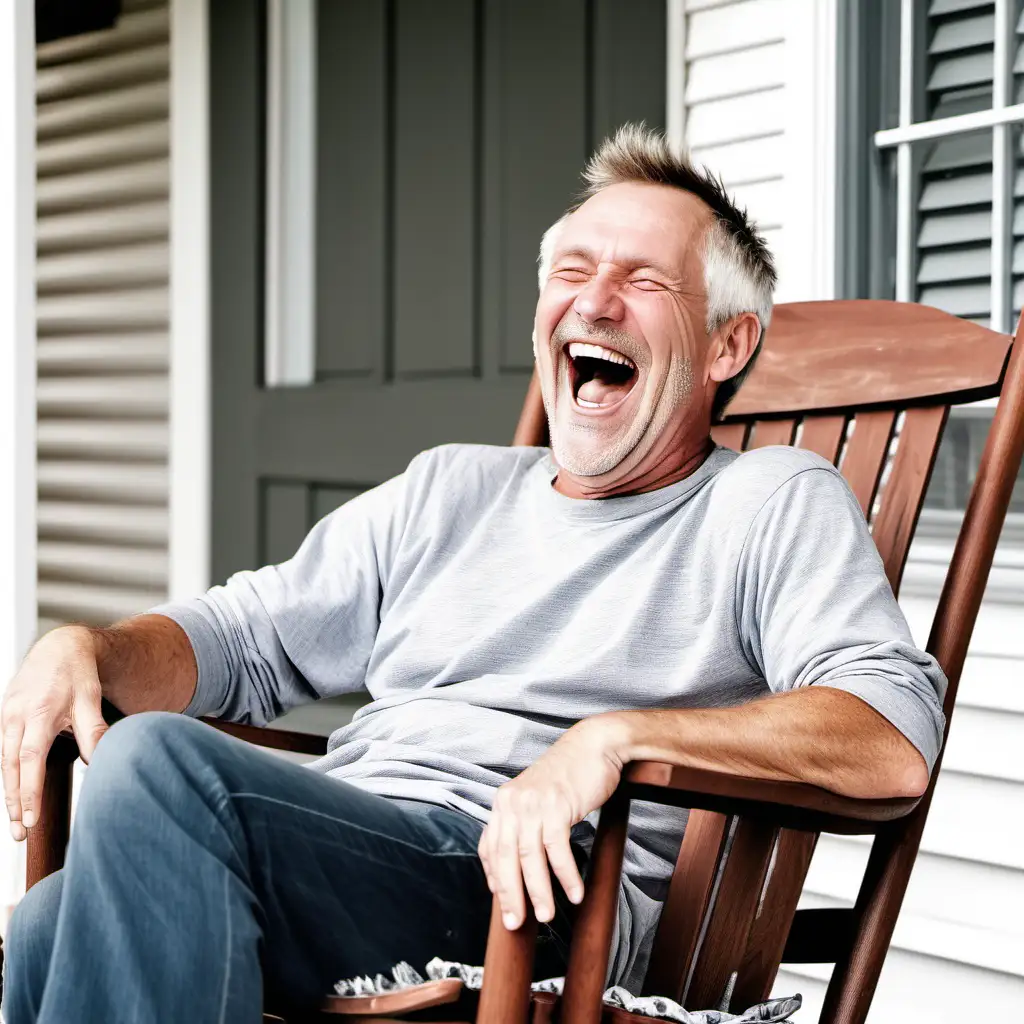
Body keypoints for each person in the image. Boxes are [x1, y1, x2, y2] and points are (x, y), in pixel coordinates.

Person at [0, 124, 945, 1023]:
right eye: (574, 271)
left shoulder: (767, 502)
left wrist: (612, 739)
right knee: (51, 923)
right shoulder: (451, 489)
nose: (596, 300)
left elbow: (891, 732)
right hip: (360, 849)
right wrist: (88, 646)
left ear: (727, 348)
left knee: (157, 767)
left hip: (538, 894)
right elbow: (241, 639)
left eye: (645, 280)